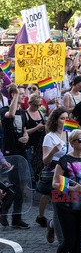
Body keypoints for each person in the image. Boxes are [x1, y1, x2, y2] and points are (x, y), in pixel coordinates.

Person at [52, 129, 81, 253]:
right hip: (66, 205)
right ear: (72, 143)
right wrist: (72, 189)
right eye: (80, 140)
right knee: (69, 241)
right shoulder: (64, 160)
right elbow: (55, 183)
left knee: (78, 241)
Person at [0, 84, 29, 229]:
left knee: (21, 186)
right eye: (20, 94)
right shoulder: (4, 110)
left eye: (23, 93)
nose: (23, 96)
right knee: (13, 186)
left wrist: (26, 136)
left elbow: (24, 130)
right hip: (9, 154)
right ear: (12, 95)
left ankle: (16, 217)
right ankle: (4, 212)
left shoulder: (23, 113)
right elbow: (11, 115)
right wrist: (16, 95)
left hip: (21, 153)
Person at [41, 107, 70, 244]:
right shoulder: (49, 137)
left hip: (70, 175)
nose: (65, 121)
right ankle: (62, 241)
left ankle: (52, 224)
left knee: (68, 205)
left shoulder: (70, 134)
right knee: (59, 206)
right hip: (56, 176)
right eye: (62, 118)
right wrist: (53, 151)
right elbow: (45, 161)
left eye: (66, 117)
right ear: (55, 120)